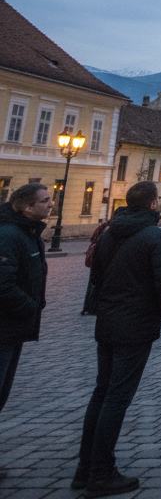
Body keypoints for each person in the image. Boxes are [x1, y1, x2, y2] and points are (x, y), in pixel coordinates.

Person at [74, 181, 161, 497]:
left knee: (102, 391)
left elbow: (96, 278)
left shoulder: (109, 235)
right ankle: (102, 473)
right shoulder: (155, 237)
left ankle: (84, 468)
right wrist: (158, 312)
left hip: (106, 321)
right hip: (135, 324)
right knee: (118, 396)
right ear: (151, 206)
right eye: (157, 200)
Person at [0, 183, 51, 438]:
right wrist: (29, 307)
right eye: (45, 200)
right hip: (6, 326)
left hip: (15, 327)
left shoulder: (28, 233)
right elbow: (3, 283)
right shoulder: (9, 235)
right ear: (27, 207)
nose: (51, 204)